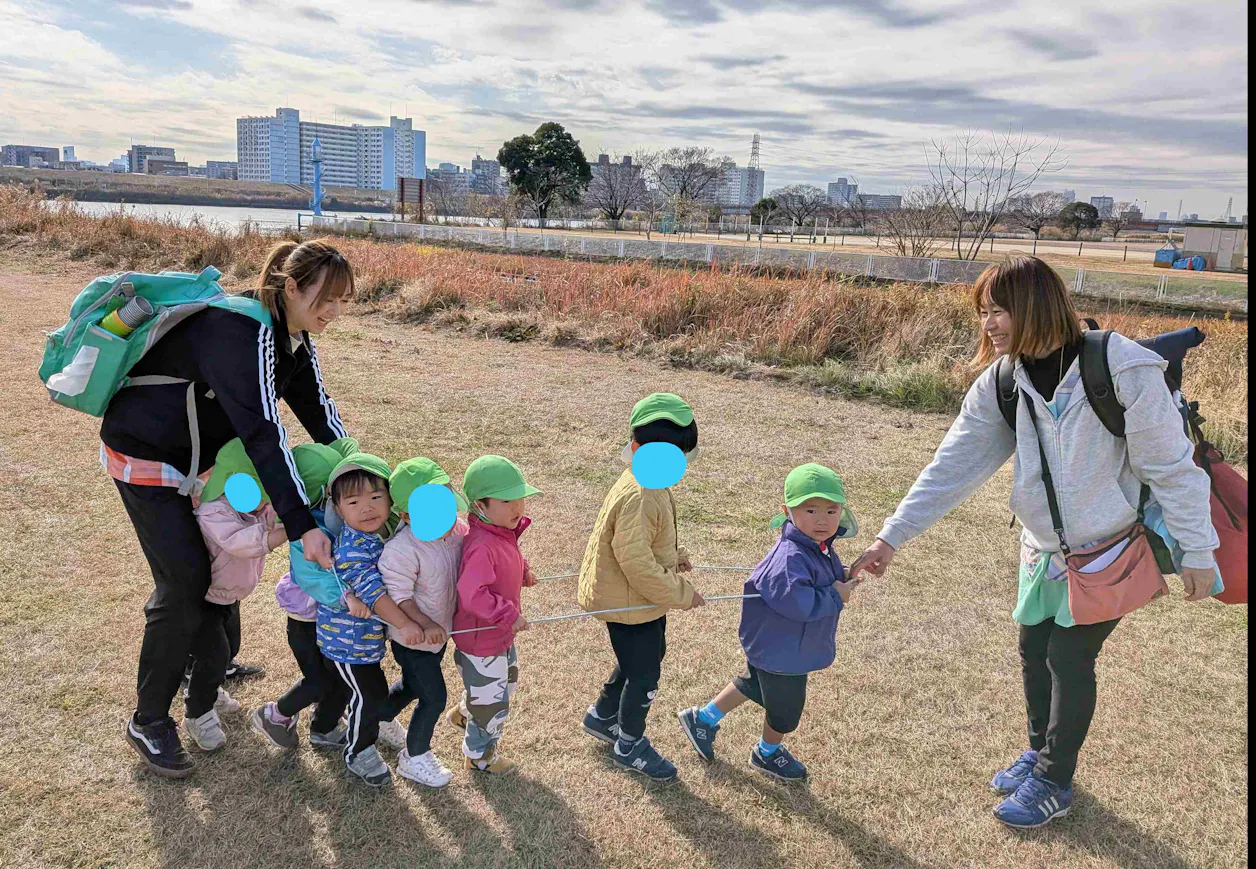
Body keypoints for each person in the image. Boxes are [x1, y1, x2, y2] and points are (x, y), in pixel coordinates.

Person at [848, 256, 1218, 828]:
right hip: (1043, 548)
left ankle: (1054, 779)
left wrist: (1198, 550)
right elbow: (952, 467)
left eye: (999, 310)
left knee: (1069, 658)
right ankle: (1038, 753)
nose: (988, 325)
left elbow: (1173, 467)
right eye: (983, 312)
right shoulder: (1003, 380)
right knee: (1033, 650)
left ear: (1036, 306)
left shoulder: (1120, 367)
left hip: (1111, 546)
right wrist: (889, 539)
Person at [105, 238, 355, 778]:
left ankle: (206, 667)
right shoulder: (241, 332)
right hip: (147, 453)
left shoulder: (291, 335)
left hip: (205, 462)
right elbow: (265, 435)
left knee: (220, 561)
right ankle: (149, 720)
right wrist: (302, 524)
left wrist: (360, 474)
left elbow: (318, 413)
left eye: (342, 302)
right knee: (186, 578)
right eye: (325, 300)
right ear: (290, 287)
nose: (333, 313)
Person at [678, 463, 859, 781]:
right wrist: (835, 596)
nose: (823, 520)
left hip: (778, 645)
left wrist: (839, 576)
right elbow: (800, 602)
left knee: (754, 684)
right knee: (785, 710)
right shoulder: (790, 557)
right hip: (785, 651)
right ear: (787, 511)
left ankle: (703, 719)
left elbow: (815, 579)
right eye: (811, 509)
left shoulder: (816, 547)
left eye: (831, 511)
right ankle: (767, 753)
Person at [577, 393, 705, 782]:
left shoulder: (646, 478)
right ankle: (629, 744)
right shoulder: (643, 492)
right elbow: (636, 562)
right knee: (645, 673)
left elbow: (645, 541)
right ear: (636, 448)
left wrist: (675, 557)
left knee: (638, 661)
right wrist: (681, 592)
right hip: (632, 599)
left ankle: (602, 716)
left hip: (635, 599)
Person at [317, 453, 428, 788]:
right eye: (353, 501)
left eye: (376, 497)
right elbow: (375, 595)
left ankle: (335, 728)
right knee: (370, 696)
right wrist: (407, 625)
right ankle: (358, 751)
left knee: (368, 694)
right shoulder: (352, 548)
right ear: (338, 509)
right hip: (345, 643)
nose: (367, 508)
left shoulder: (382, 536)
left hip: (365, 642)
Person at [183, 439, 287, 752]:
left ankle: (210, 687)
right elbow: (241, 541)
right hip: (206, 598)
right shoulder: (213, 512)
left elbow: (267, 517)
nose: (263, 504)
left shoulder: (253, 504)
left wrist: (280, 514)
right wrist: (282, 532)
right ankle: (197, 712)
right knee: (213, 654)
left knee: (229, 649)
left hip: (231, 596)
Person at [253, 441, 354, 752]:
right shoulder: (304, 530)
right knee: (320, 680)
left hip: (326, 618)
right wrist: (347, 598)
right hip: (306, 623)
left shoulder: (327, 517)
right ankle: (275, 715)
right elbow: (316, 581)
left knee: (340, 677)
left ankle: (324, 726)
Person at [376, 457, 470, 788]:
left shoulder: (455, 531)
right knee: (434, 697)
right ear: (405, 514)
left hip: (439, 635)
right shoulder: (401, 550)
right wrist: (424, 623)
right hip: (411, 638)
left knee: (414, 685)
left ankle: (377, 718)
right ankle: (414, 757)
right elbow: (400, 598)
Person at [448, 455, 542, 775]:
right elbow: (471, 593)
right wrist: (507, 614)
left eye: (520, 498)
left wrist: (523, 571)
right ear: (479, 506)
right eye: (507, 500)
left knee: (507, 681)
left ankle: (464, 713)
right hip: (482, 639)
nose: (518, 508)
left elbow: (508, 557)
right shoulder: (481, 544)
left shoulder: (501, 532)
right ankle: (478, 756)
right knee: (493, 702)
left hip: (499, 634)